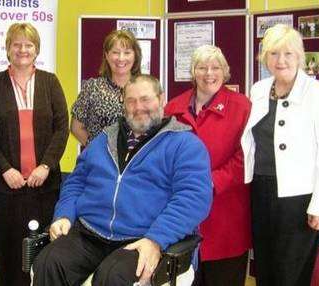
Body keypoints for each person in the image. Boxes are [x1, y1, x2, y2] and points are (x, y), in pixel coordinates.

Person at [32, 75, 213, 286]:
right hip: (90, 232)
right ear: (123, 103)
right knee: (48, 263)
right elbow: (76, 182)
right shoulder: (103, 139)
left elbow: (193, 198)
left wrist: (156, 240)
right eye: (131, 101)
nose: (138, 107)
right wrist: (64, 214)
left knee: (112, 277)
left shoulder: (185, 144)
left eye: (145, 99)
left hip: (141, 237)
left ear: (161, 99)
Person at [241, 24, 319, 286]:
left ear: (300, 56)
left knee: (290, 274)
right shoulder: (259, 89)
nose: (281, 60)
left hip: (299, 199)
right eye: (273, 54)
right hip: (261, 191)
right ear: (265, 58)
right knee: (265, 267)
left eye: (288, 53)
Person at [0, 23, 69, 286]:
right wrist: (4, 169)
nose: (23, 49)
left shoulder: (49, 81)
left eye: (29, 44)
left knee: (44, 249)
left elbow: (62, 128)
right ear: (8, 48)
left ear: (37, 49)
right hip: (6, 186)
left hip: (44, 185)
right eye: (17, 44)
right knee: (8, 250)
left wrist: (45, 166)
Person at [165, 45, 251, 286]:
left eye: (215, 67)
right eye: (202, 67)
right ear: (193, 72)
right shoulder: (173, 108)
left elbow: (247, 156)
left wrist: (212, 181)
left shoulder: (242, 107)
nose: (209, 73)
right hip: (183, 217)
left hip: (226, 216)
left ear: (225, 72)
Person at [71, 30, 142, 146]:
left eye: (127, 52)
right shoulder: (92, 88)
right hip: (100, 161)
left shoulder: (145, 89)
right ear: (107, 55)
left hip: (138, 160)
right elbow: (76, 127)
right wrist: (97, 151)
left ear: (135, 56)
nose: (121, 58)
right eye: (115, 52)